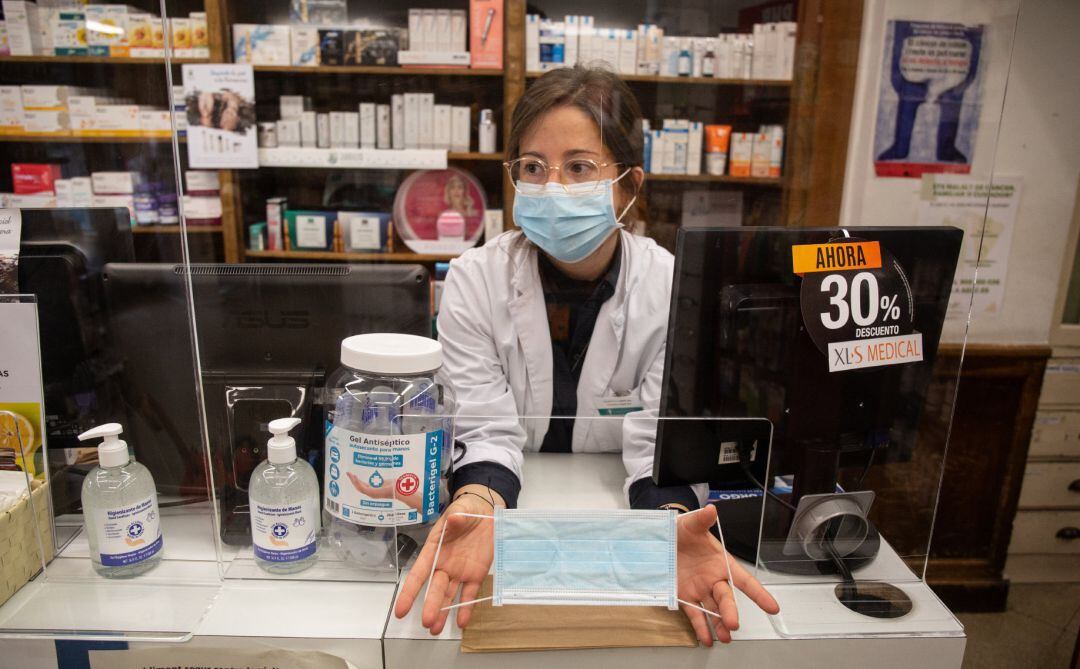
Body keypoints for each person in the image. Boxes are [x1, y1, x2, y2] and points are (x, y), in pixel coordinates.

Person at [394, 65, 779, 646]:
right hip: (512, 516)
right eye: (532, 168)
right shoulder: (475, 279)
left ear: (629, 184)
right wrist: (475, 503)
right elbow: (486, 430)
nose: (552, 187)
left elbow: (657, 445)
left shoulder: (670, 287)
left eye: (578, 167)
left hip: (616, 516)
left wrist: (672, 525)